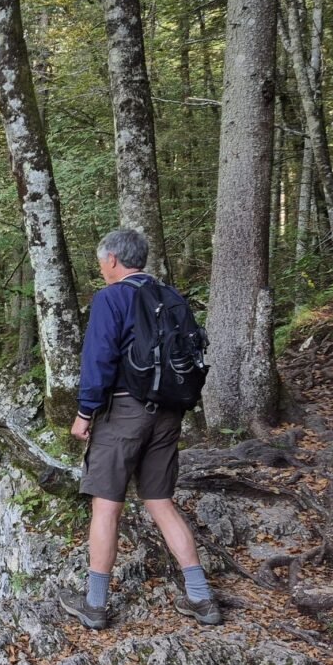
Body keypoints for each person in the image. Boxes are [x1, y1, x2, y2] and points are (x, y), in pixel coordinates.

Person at [57, 228, 222, 630]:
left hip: (125, 411)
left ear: (112, 259)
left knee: (106, 505)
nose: (101, 269)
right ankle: (201, 598)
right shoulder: (172, 296)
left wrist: (85, 412)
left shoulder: (112, 297)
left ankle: (95, 605)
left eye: (101, 262)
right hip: (169, 412)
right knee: (160, 501)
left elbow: (98, 358)